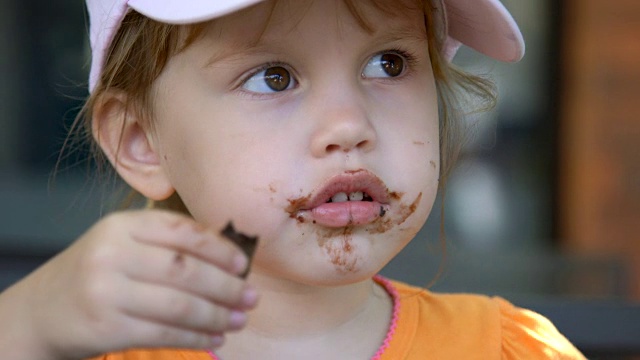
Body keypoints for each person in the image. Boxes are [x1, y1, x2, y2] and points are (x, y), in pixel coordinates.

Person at [0, 0, 586, 359]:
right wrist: (29, 321)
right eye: (274, 77)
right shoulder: (89, 351)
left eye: (390, 63)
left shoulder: (508, 349)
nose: (349, 125)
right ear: (141, 142)